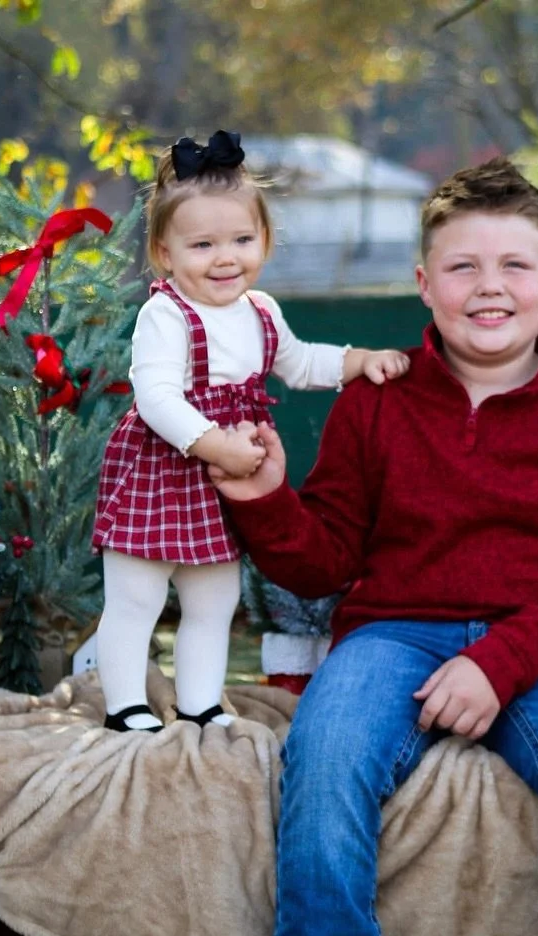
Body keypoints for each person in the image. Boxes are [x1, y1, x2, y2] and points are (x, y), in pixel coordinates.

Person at [212, 158, 538, 936]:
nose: (490, 287)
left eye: (514, 266)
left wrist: (496, 663)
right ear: (425, 283)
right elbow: (325, 562)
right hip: (392, 637)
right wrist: (267, 500)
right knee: (325, 760)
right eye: (463, 268)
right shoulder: (376, 399)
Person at [90, 130, 411, 733]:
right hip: (161, 476)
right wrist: (216, 445)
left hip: (225, 483)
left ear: (264, 239)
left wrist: (358, 361)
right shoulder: (166, 314)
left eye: (242, 239)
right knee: (137, 601)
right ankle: (125, 705)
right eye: (203, 244)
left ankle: (201, 703)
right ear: (165, 253)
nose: (225, 257)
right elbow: (156, 398)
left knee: (215, 601)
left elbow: (300, 363)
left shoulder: (261, 312)